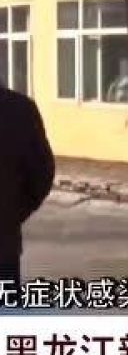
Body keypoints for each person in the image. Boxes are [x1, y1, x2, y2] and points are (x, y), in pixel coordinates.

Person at [0, 84, 55, 285]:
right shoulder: (20, 108)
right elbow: (42, 174)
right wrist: (13, 214)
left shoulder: (19, 109)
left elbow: (42, 172)